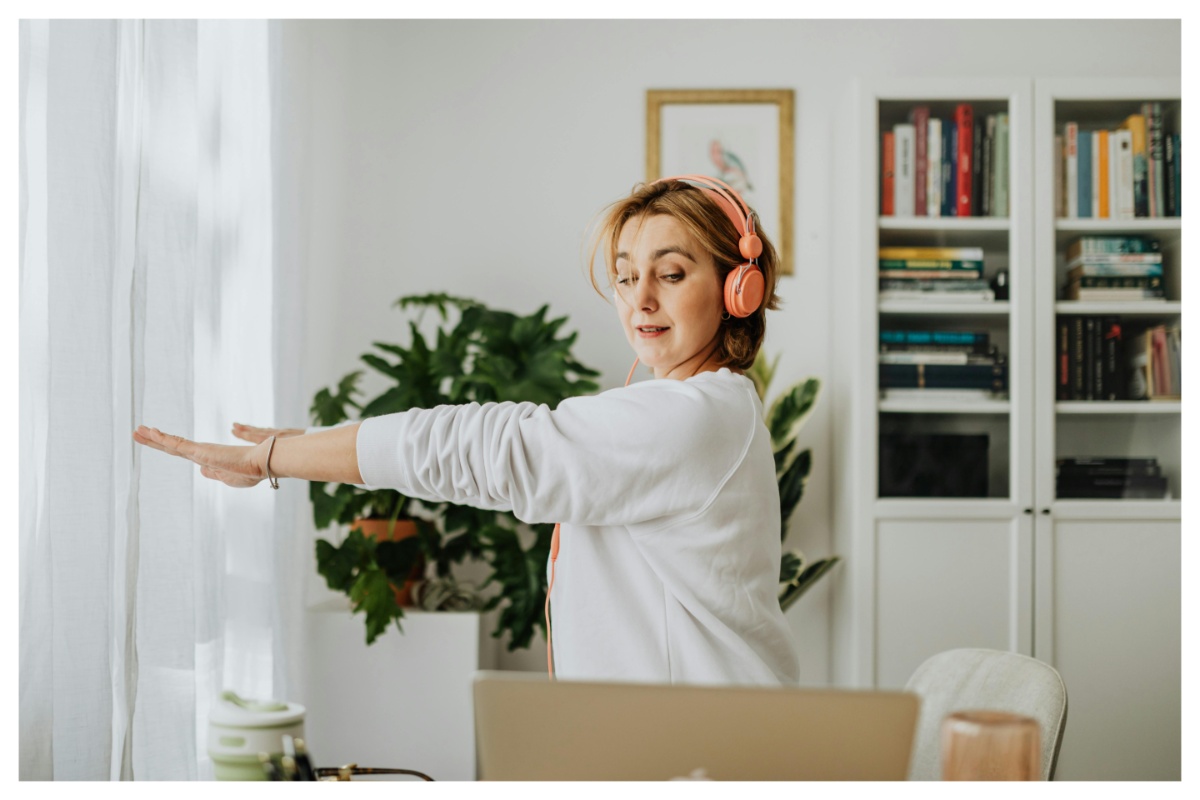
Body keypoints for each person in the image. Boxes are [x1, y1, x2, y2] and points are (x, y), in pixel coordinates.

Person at [134, 176, 802, 686]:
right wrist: (299, 446)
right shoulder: (702, 409)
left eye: (672, 273)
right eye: (627, 276)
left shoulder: (693, 416)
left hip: (706, 756)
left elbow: (486, 448)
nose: (640, 299)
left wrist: (276, 459)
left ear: (738, 286)